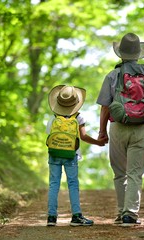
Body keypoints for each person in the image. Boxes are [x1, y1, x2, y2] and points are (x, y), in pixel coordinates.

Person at [96, 33, 144, 227]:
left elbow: (105, 107)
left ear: (120, 54)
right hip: (142, 127)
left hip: (117, 127)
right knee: (135, 173)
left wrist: (102, 131)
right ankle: (130, 214)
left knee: (119, 173)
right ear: (138, 54)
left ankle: (120, 212)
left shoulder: (112, 75)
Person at [46, 85, 106, 227]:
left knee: (54, 185)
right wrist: (98, 142)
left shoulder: (53, 117)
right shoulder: (79, 117)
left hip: (54, 154)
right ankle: (76, 216)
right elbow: (83, 137)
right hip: (71, 155)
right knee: (72, 184)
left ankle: (51, 217)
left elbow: (49, 136)